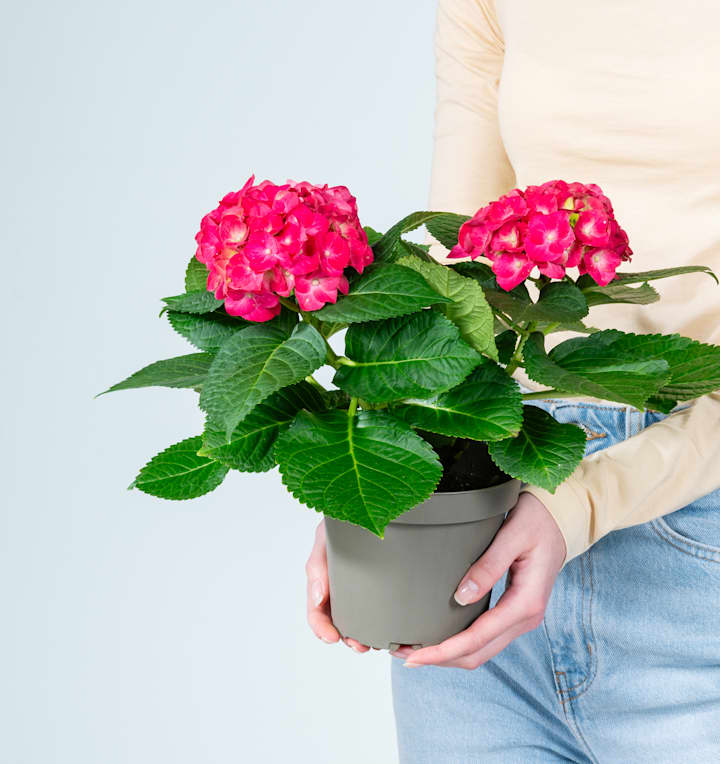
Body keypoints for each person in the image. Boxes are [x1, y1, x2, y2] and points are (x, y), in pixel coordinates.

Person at [305, 1, 720, 760]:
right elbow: (462, 279)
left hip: (696, 541)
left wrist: (581, 503)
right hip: (487, 537)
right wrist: (383, 488)